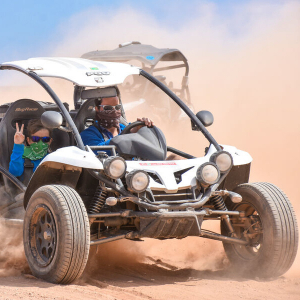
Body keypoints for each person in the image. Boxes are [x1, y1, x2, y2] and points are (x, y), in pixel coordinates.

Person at [80, 95, 154, 149]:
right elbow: (98, 150)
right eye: (108, 108)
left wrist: (145, 129)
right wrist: (129, 135)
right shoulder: (87, 134)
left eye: (117, 107)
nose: (114, 111)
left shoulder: (128, 128)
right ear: (97, 109)